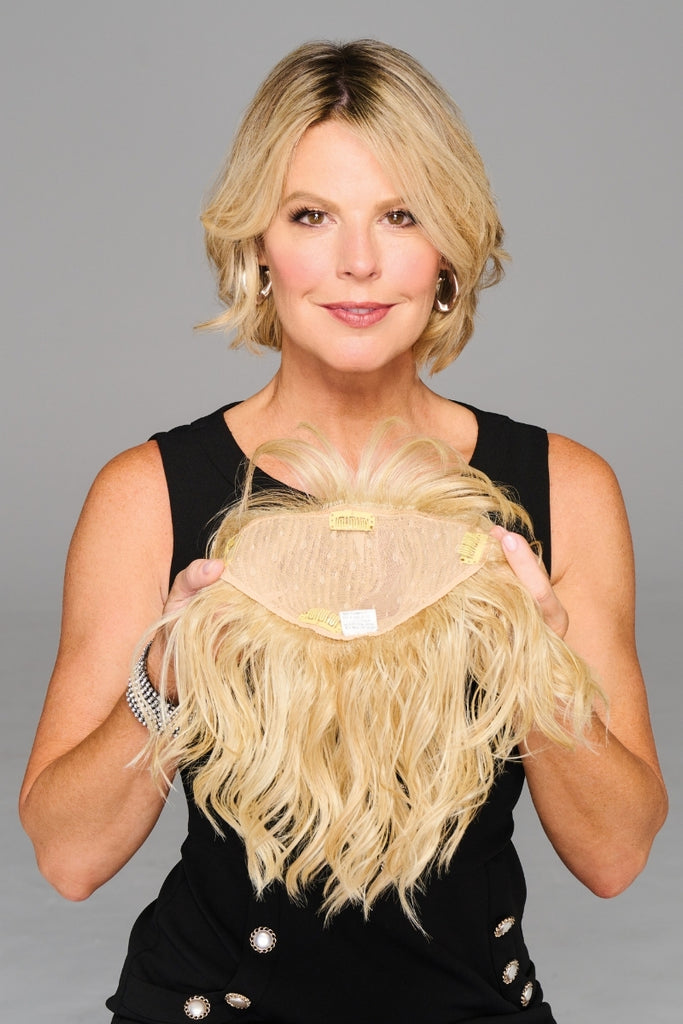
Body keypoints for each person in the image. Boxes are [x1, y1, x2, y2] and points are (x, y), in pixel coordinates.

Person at [19, 39, 667, 1024]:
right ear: (257, 248)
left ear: (446, 246)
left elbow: (616, 857)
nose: (357, 261)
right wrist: (167, 677)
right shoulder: (147, 492)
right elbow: (67, 858)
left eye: (398, 215)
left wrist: (535, 664)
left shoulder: (560, 488)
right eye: (311, 216)